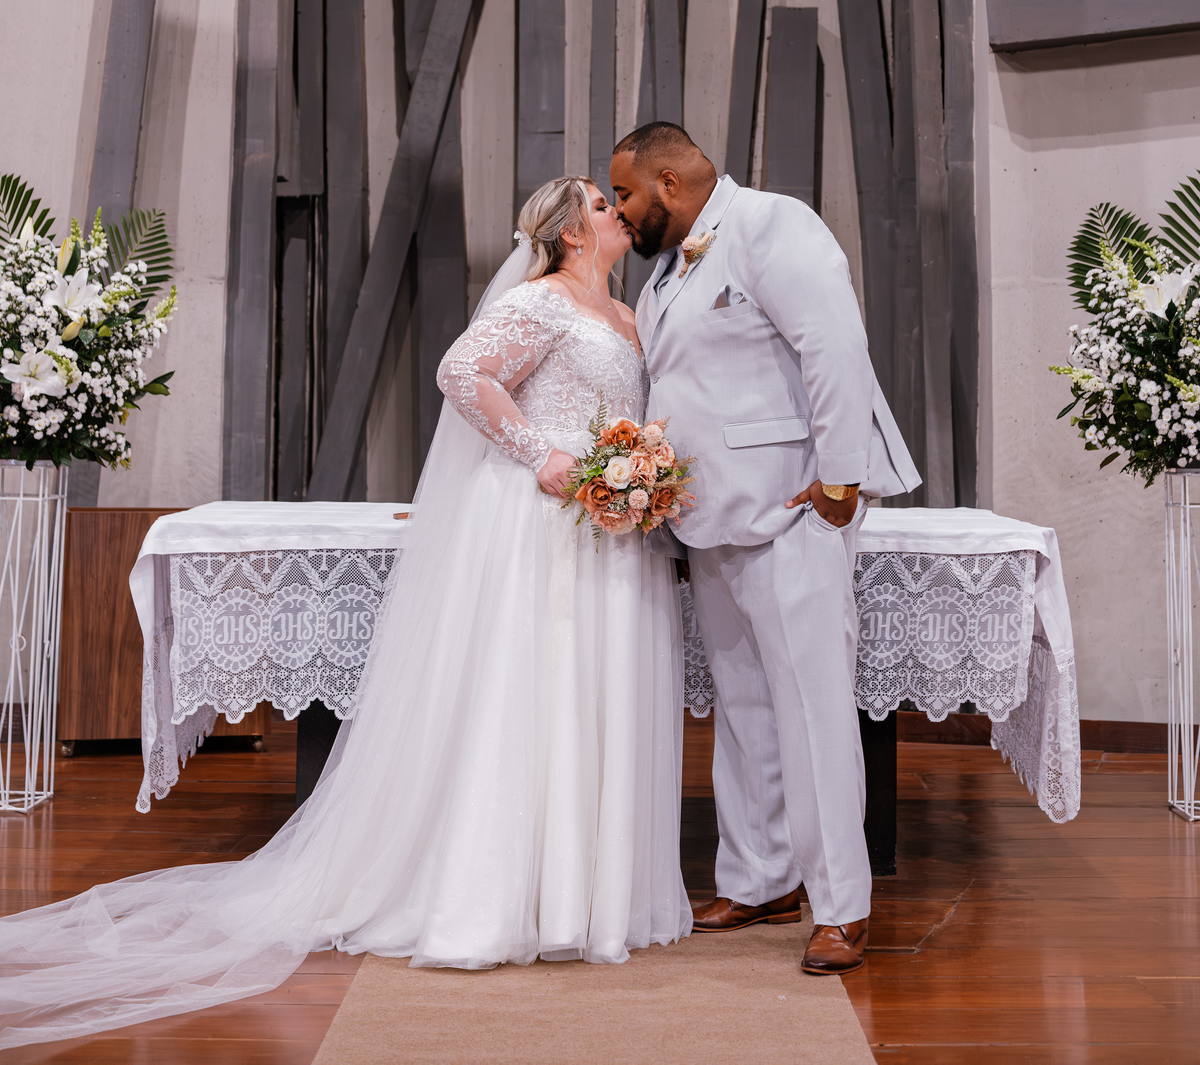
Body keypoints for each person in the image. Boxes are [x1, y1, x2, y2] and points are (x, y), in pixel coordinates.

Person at [0, 178, 691, 1050]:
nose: (617, 212)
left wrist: (643, 468)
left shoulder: (627, 316)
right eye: (600, 203)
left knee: (596, 701)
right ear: (565, 231)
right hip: (542, 529)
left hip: (611, 529)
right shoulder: (542, 301)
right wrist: (542, 456)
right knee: (533, 695)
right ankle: (501, 894)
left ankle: (595, 893)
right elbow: (460, 372)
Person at [610, 123, 921, 976]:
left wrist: (841, 481)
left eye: (627, 194)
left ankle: (841, 906)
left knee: (814, 713)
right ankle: (759, 877)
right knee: (743, 711)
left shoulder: (776, 225)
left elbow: (834, 347)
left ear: (670, 182)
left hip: (794, 511)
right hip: (709, 520)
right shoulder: (670, 273)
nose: (621, 212)